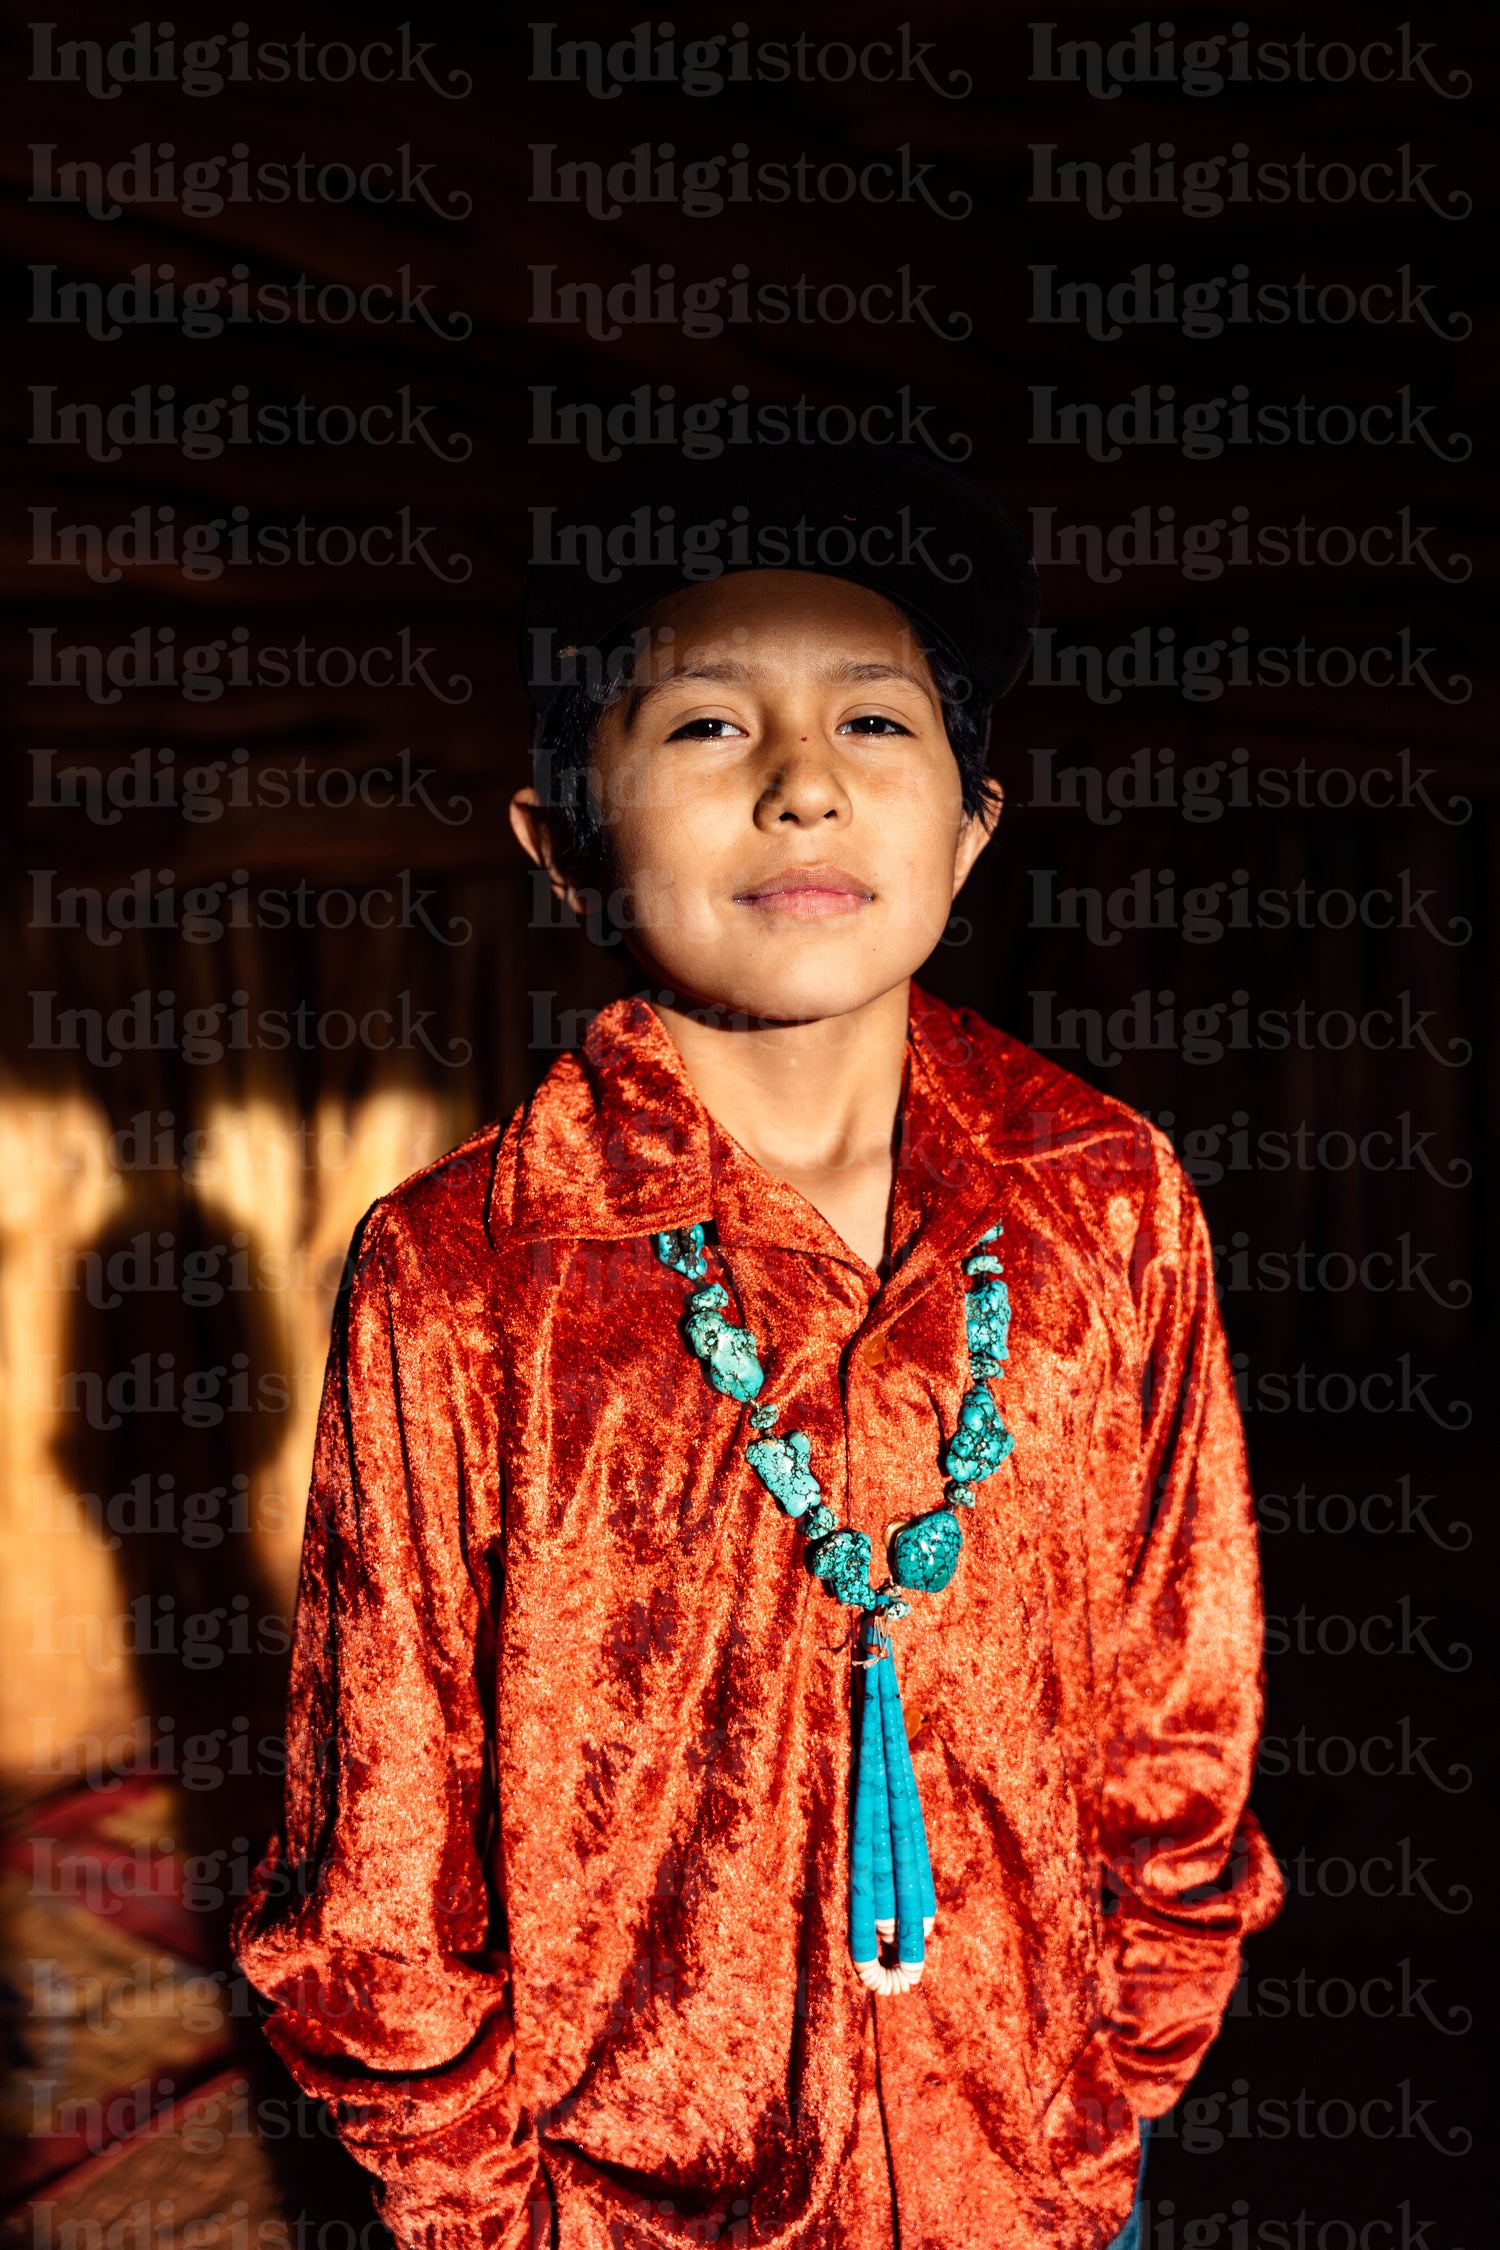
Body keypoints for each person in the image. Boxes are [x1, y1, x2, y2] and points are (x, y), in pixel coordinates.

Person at [231, 448, 1282, 2249]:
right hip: (624, 2206)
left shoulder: (1108, 1196)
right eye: (710, 729)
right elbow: (387, 1840)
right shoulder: (466, 1267)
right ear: (561, 840)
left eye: (875, 724)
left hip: (1035, 2170)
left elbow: (1180, 1690)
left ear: (972, 824)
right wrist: (492, 2208)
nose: (805, 787)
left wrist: (1118, 2068)